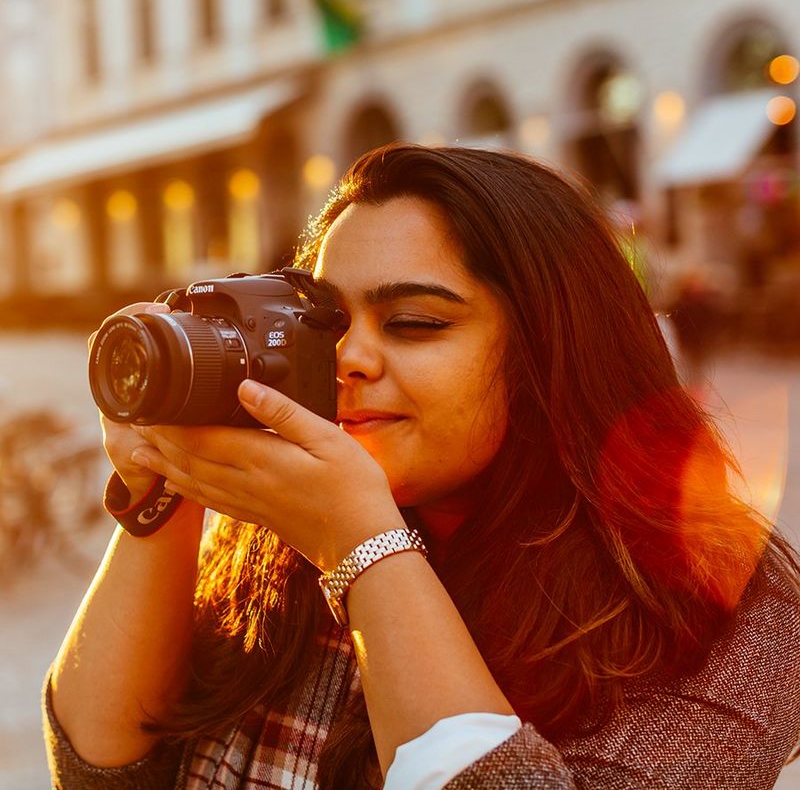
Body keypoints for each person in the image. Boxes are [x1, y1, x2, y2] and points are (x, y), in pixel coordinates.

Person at [45, 144, 800, 789]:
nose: (351, 359)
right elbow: (101, 767)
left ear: (551, 354)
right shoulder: (279, 535)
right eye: (327, 324)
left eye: (414, 324)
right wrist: (166, 489)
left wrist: (362, 548)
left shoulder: (728, 608)